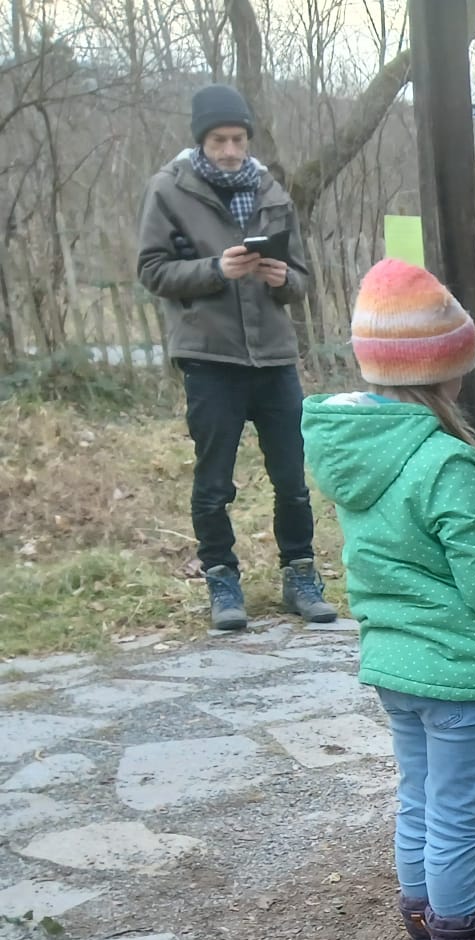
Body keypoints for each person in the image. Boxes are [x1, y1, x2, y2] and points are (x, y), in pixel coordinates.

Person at [302, 260, 475, 940]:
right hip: (460, 674)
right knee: (458, 817)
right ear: (447, 365)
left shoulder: (357, 448)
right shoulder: (445, 460)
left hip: (396, 664)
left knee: (419, 803)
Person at [137, 84, 334, 632]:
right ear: (202, 140)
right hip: (209, 356)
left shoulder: (271, 191)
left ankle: (300, 573)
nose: (229, 149)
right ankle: (223, 580)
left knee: (291, 475)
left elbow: (301, 278)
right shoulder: (170, 190)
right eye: (219, 139)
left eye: (238, 138)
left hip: (273, 357)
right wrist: (212, 270)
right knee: (215, 479)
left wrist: (282, 279)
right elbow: (152, 270)